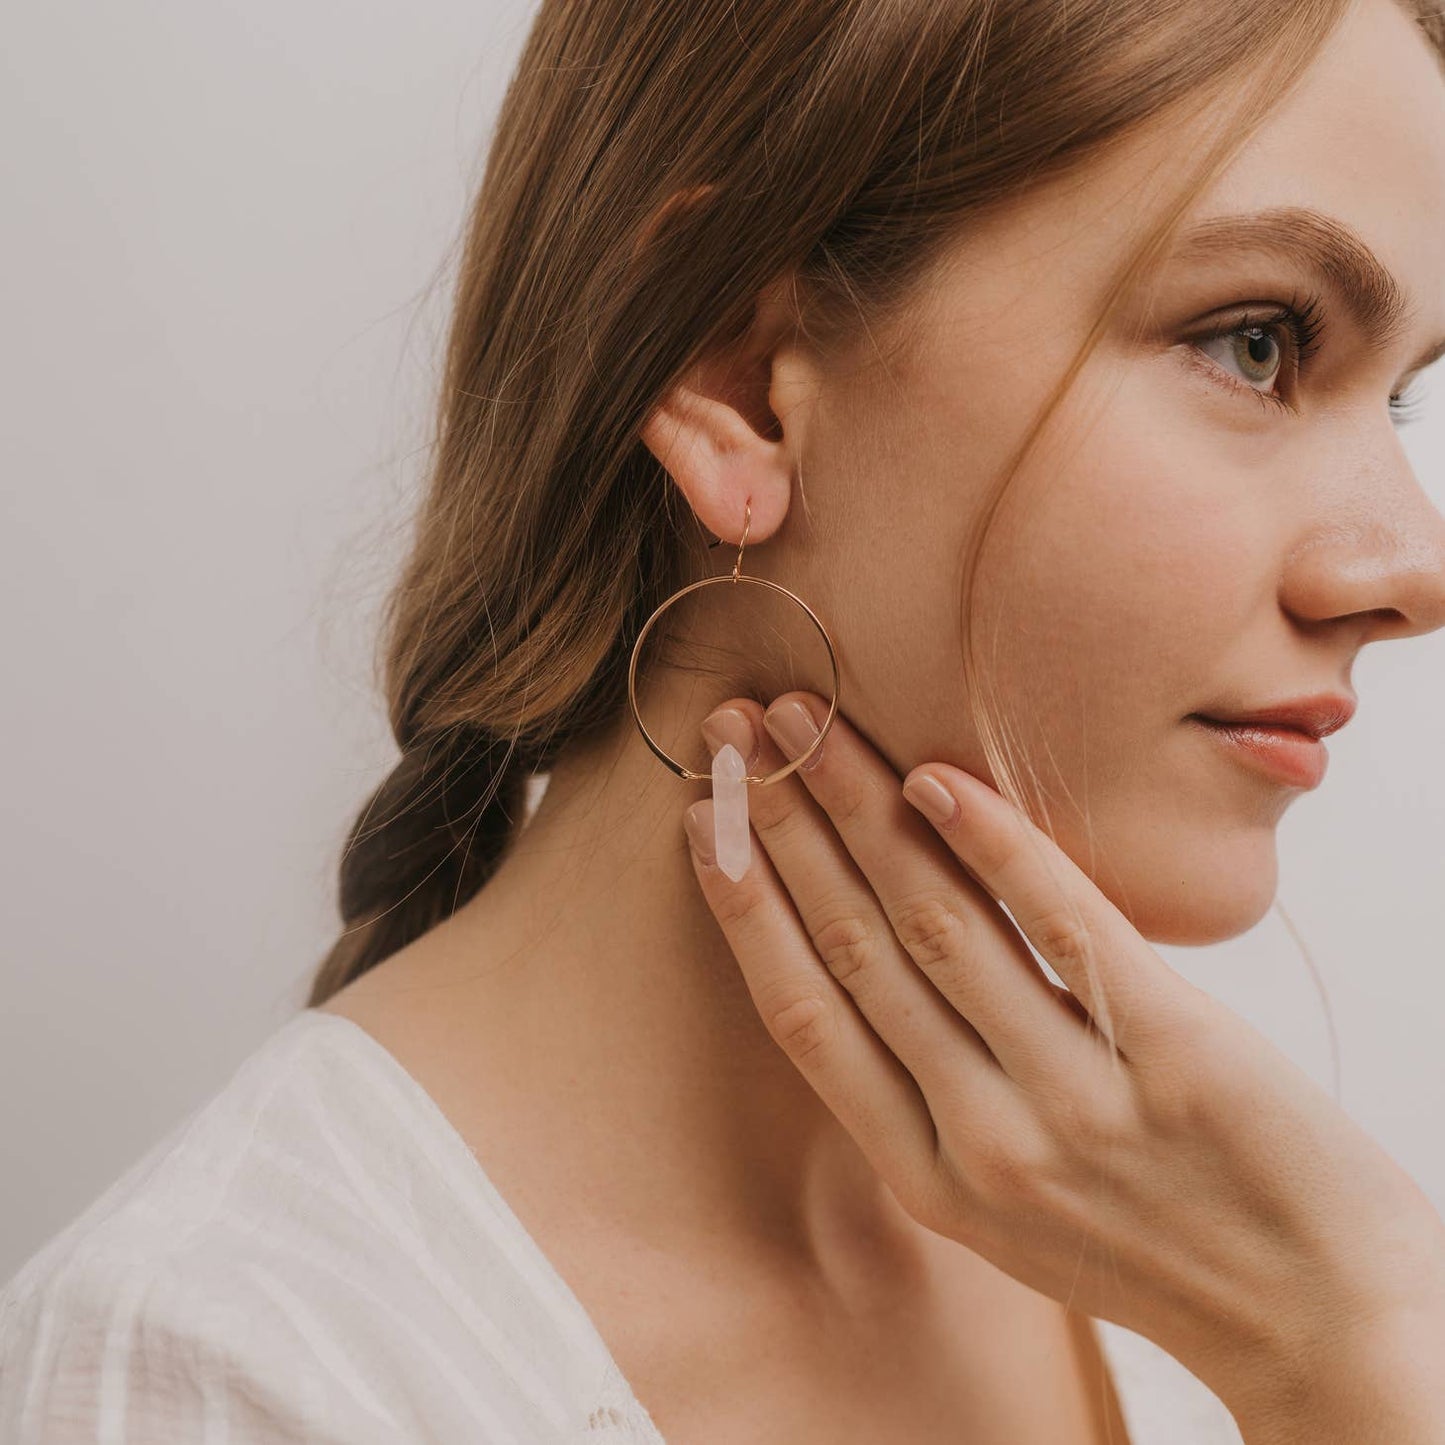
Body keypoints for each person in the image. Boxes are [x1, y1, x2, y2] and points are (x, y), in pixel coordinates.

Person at [4, 0, 1445, 1440]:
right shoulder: (222, 1370)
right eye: (1254, 342)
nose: (1410, 568)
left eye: (1397, 400)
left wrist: (1356, 1348)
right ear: (736, 382)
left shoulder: (1232, 1243)